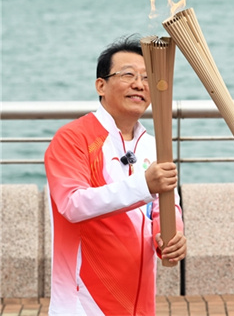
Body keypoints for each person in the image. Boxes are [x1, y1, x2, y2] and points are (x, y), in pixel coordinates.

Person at [44, 36, 186, 316]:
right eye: (128, 75)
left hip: (140, 302)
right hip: (83, 303)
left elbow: (166, 205)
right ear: (101, 85)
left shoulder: (153, 145)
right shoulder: (72, 138)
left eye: (146, 78)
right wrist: (144, 185)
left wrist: (172, 234)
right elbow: (73, 204)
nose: (139, 84)